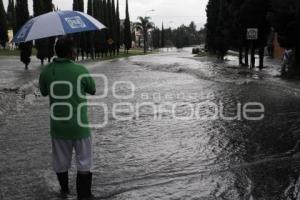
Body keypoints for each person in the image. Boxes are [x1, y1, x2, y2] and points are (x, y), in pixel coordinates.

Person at [39, 36, 96, 200]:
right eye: (76, 49)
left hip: (59, 128)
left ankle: (64, 192)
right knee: (84, 162)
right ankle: (84, 195)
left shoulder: (47, 71)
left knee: (61, 162)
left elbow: (43, 92)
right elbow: (92, 89)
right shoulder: (80, 70)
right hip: (80, 127)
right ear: (72, 52)